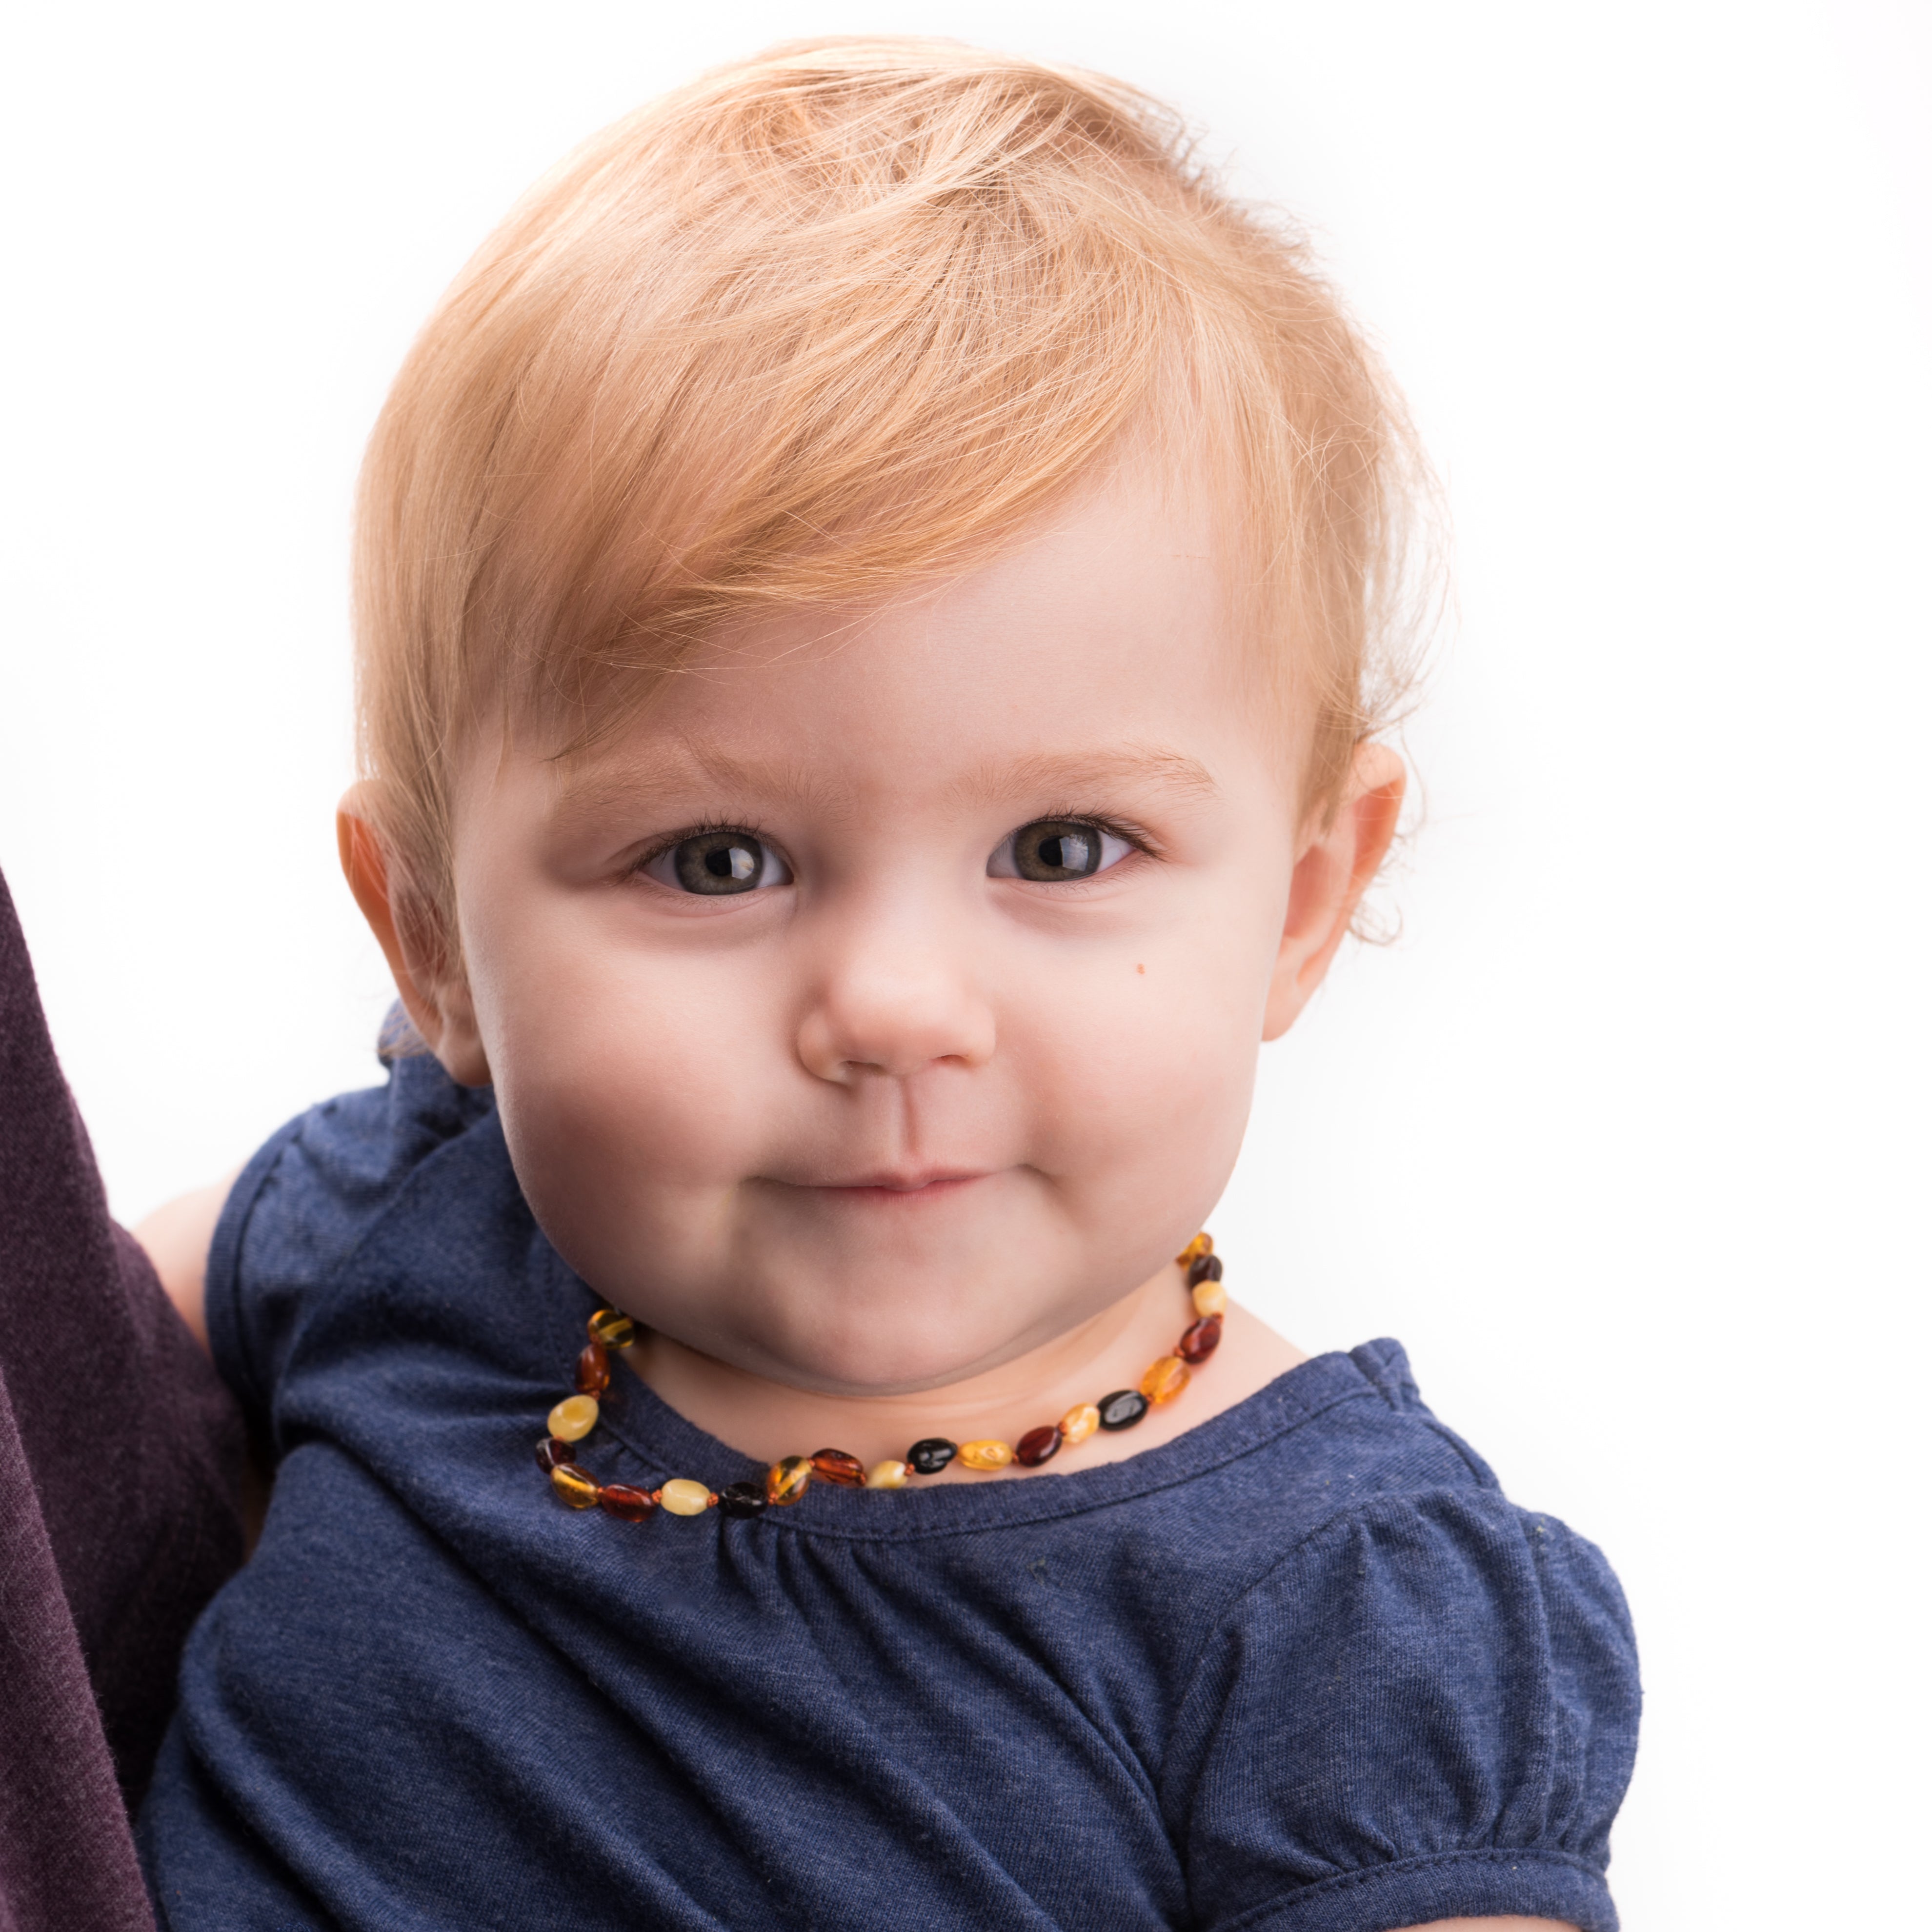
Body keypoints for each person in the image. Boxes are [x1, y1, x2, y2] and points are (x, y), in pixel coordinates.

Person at [126, 38, 1639, 1931]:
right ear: (431, 938)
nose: (897, 1006)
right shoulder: (408, 1223)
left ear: (1306, 897)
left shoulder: (1325, 1616)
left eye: (1065, 849)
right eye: (715, 862)